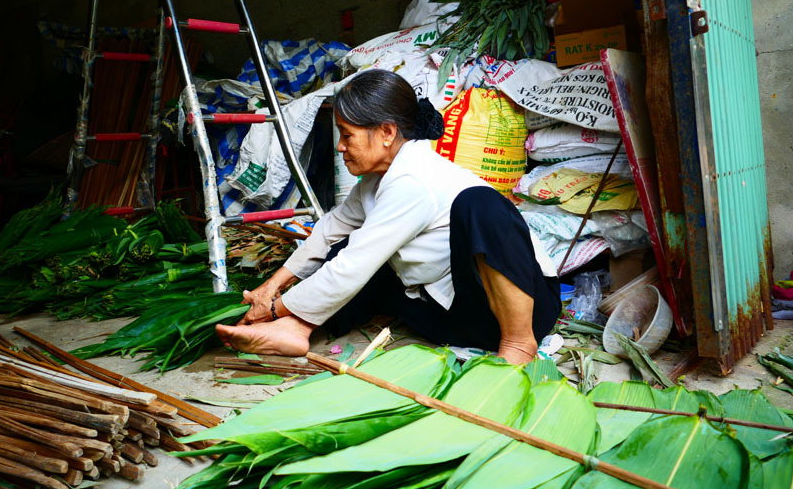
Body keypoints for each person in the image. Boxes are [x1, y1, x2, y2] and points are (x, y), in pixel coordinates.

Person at [216, 69, 560, 364]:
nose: (340, 146)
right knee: (347, 245)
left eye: (347, 135)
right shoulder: (373, 182)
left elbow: (352, 267)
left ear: (386, 133)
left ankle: (518, 345)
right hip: (450, 316)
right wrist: (270, 288)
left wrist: (276, 307)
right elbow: (328, 232)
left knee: (480, 205)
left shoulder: (414, 179)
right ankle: (298, 329)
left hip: (512, 315)